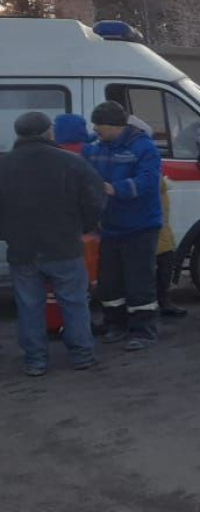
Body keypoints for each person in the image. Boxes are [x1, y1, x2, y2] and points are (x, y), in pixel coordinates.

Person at [0, 112, 105, 376]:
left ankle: (35, 360)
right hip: (63, 246)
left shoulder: (4, 165)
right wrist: (80, 228)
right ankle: (81, 355)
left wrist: (9, 233)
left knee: (29, 305)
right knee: (74, 301)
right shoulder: (71, 163)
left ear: (19, 135)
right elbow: (95, 200)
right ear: (49, 132)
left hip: (22, 249)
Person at [83, 101, 163, 351]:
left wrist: (113, 189)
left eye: (100, 124)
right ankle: (114, 324)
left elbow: (148, 182)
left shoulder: (143, 148)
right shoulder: (95, 148)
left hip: (140, 226)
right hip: (109, 226)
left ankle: (143, 330)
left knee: (139, 280)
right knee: (109, 281)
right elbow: (83, 173)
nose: (96, 128)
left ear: (116, 125)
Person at [126, 115, 187, 318]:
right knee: (160, 265)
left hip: (158, 225)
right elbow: (151, 183)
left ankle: (161, 301)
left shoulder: (132, 153)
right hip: (152, 225)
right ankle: (160, 303)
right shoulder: (135, 155)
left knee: (161, 264)